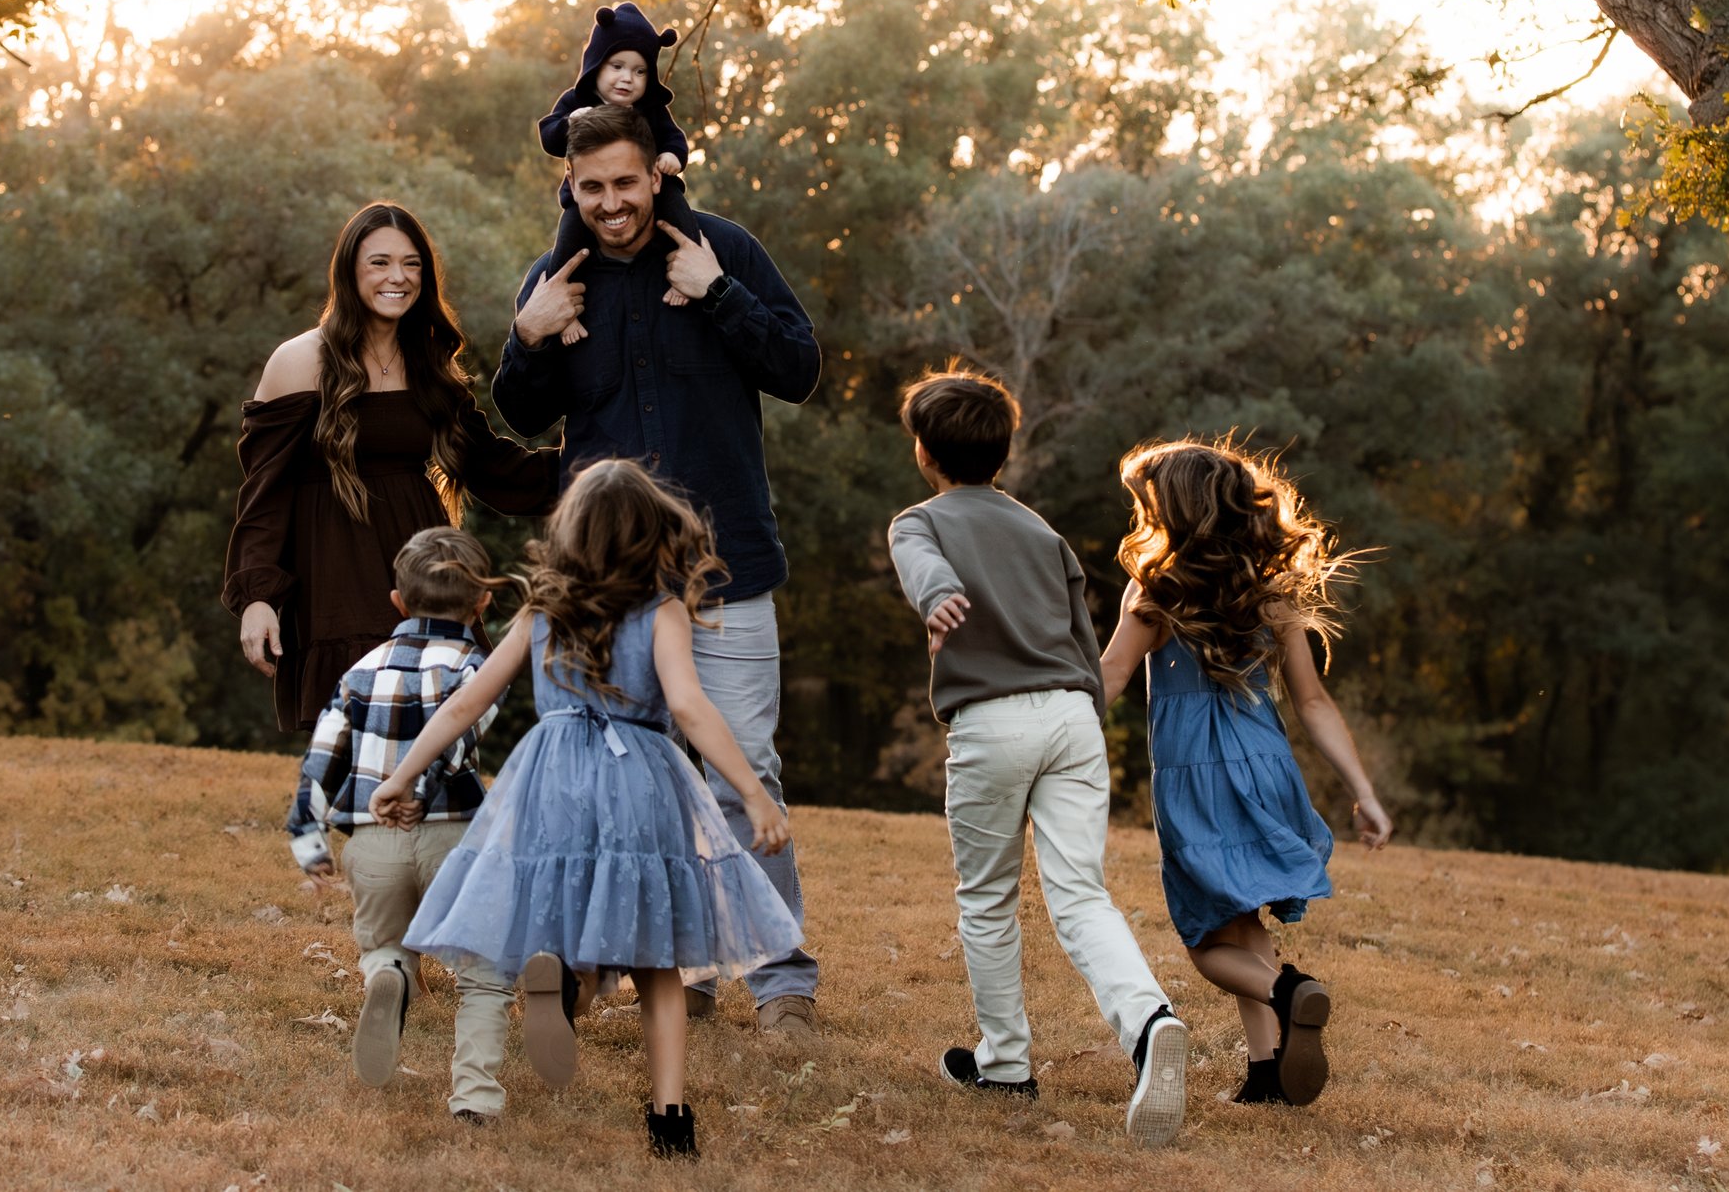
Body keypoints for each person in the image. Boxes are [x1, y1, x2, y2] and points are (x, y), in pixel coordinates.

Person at [492, 103, 824, 1034]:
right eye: (591, 187)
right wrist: (528, 337)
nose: (611, 203)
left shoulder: (724, 250)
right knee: (630, 786)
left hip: (725, 569)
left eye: (626, 183)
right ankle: (681, 969)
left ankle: (782, 979)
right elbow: (522, 413)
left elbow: (799, 368)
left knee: (743, 767)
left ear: (657, 174)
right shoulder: (555, 278)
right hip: (607, 587)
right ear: (571, 186)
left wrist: (719, 294)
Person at [371, 459, 800, 1160]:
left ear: (569, 533)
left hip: (554, 777)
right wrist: (752, 794)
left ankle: (567, 977)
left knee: (561, 899)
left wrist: (402, 776)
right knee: (658, 958)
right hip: (640, 783)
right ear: (653, 532)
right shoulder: (662, 611)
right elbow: (689, 706)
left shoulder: (542, 611)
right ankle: (669, 1117)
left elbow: (467, 701)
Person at [884, 368, 1191, 1148]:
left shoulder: (918, 522)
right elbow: (1086, 643)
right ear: (1004, 452)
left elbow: (922, 566)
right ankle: (1150, 1020)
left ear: (925, 452)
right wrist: (1082, 714)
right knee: (1081, 894)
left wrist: (937, 597)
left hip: (993, 721)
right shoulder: (1040, 530)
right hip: (1072, 716)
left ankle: (1006, 1064)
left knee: (988, 896)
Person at [1099, 437, 1394, 1108]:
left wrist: (1055, 739)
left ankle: (1288, 991)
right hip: (1267, 769)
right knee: (1241, 919)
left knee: (1205, 938)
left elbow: (1111, 675)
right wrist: (1365, 792)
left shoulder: (1155, 592)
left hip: (1198, 780)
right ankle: (1266, 1073)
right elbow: (1313, 702)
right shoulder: (1269, 592)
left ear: (1173, 511)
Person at [223, 202, 557, 732]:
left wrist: (591, 464)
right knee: (356, 737)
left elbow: (493, 468)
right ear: (349, 271)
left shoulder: (429, 363)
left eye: (411, 264)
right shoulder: (299, 361)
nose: (397, 277)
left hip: (419, 569)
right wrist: (257, 597)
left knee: (441, 730)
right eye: (379, 262)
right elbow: (265, 494)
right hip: (335, 572)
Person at [285, 527, 517, 1120]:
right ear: (483, 602)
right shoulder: (477, 666)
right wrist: (424, 786)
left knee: (385, 943)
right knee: (483, 970)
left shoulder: (361, 670)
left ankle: (389, 972)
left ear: (397, 601)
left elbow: (321, 758)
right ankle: (474, 1097)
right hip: (452, 835)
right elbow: (458, 737)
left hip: (372, 843)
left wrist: (309, 839)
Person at [534, 2, 705, 342]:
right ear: (596, 66)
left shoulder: (650, 108)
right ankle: (564, 310)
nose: (627, 78)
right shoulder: (576, 101)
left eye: (640, 71)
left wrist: (672, 156)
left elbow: (673, 137)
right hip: (581, 202)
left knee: (680, 218)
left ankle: (688, 272)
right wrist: (570, 122)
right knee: (568, 245)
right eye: (617, 66)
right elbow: (549, 135)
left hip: (657, 187)